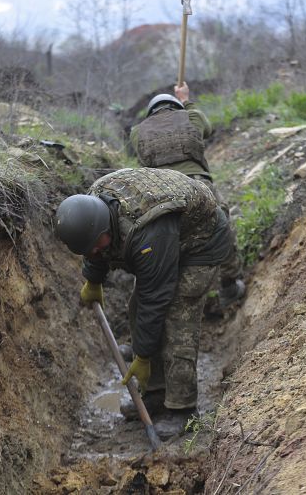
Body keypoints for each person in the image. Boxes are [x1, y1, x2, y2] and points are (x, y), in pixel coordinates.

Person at [55, 167, 232, 435]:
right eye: (88, 249)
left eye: (96, 246)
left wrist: (143, 355)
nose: (93, 251)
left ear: (105, 226)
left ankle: (182, 409)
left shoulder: (146, 231)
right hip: (170, 237)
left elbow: (156, 296)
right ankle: (155, 394)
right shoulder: (93, 206)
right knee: (137, 310)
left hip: (200, 244)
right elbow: (95, 249)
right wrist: (93, 279)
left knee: (177, 321)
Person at [129, 81, 245, 309]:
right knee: (221, 229)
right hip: (198, 187)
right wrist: (186, 99)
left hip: (159, 196)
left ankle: (156, 301)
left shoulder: (137, 132)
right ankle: (230, 284)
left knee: (154, 248)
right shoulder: (192, 118)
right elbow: (208, 128)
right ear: (178, 109)